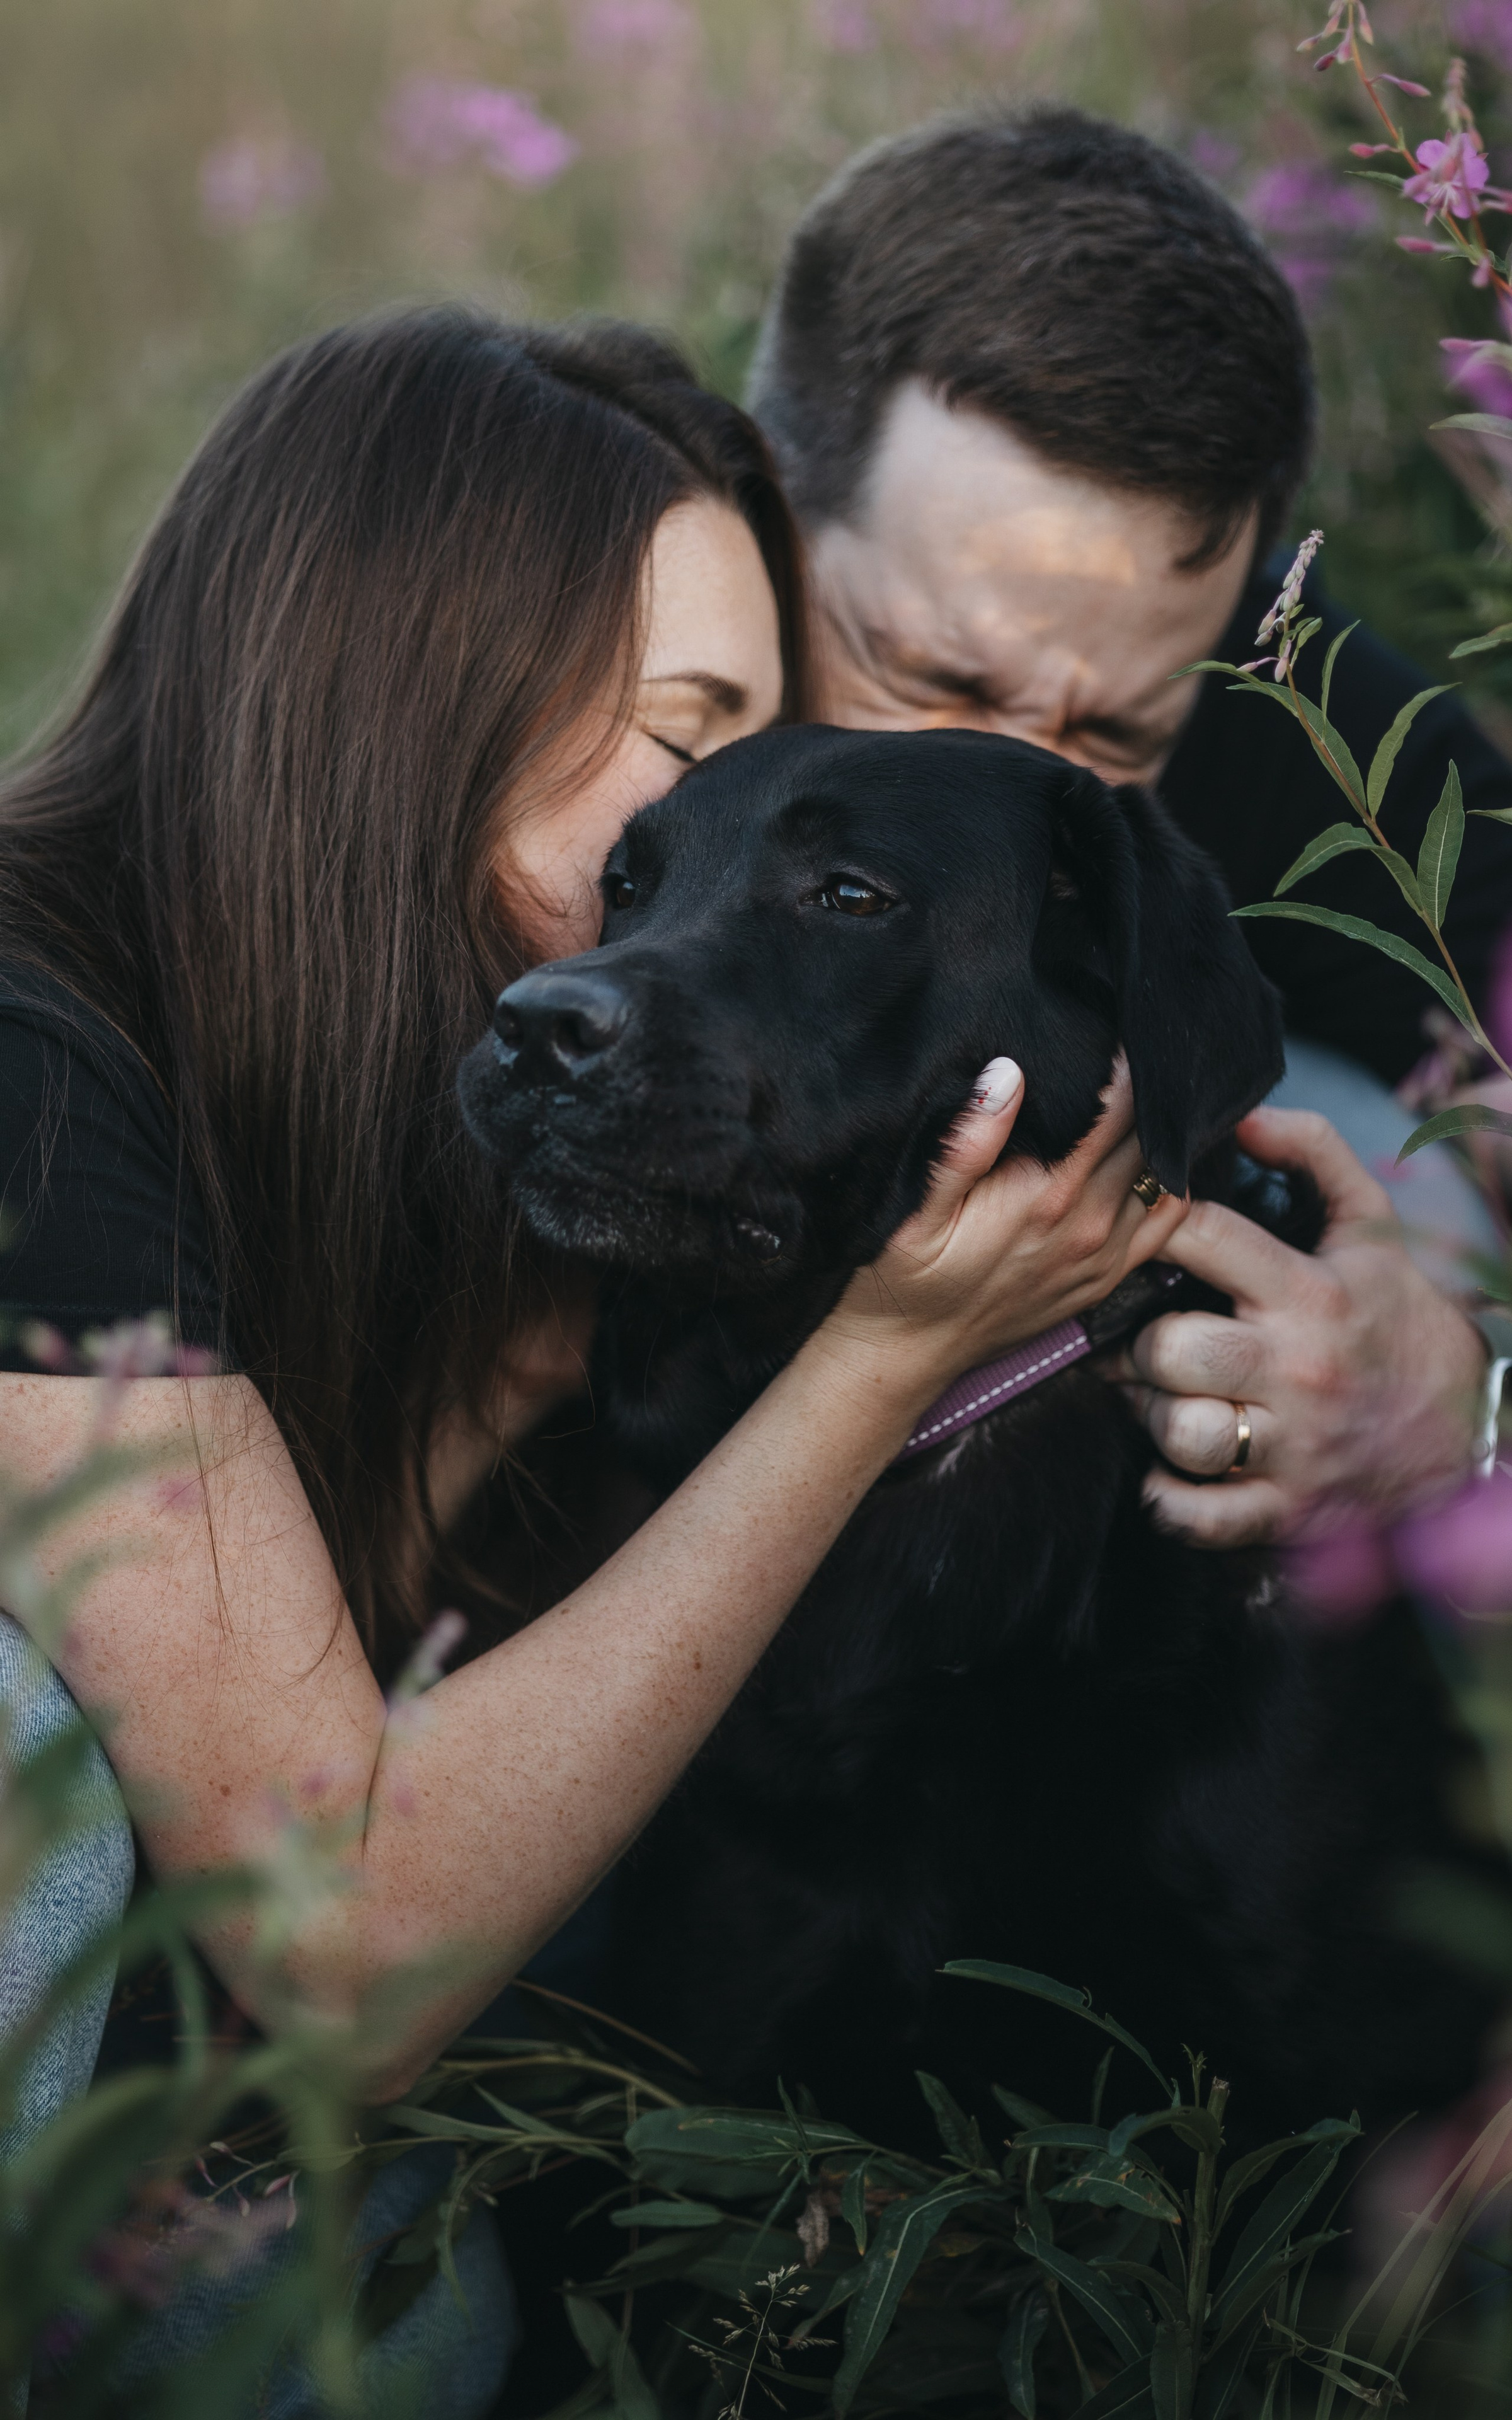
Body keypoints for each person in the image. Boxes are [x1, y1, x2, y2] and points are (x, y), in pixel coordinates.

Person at [0, 310, 1188, 2403]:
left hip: (194, 2099)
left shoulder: (460, 1086)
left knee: (406, 2306)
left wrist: (1424, 1347)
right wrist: (880, 1365)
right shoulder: (30, 1059)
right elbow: (334, 1938)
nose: (724, 836)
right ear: (416, 694)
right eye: (690, 734)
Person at [748, 103, 1512, 1546]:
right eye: (938, 681)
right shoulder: (588, 627)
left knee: (1343, 1115)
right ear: (762, 512)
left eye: (1112, 737)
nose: (1019, 828)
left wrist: (1447, 1376)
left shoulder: (1282, 690)